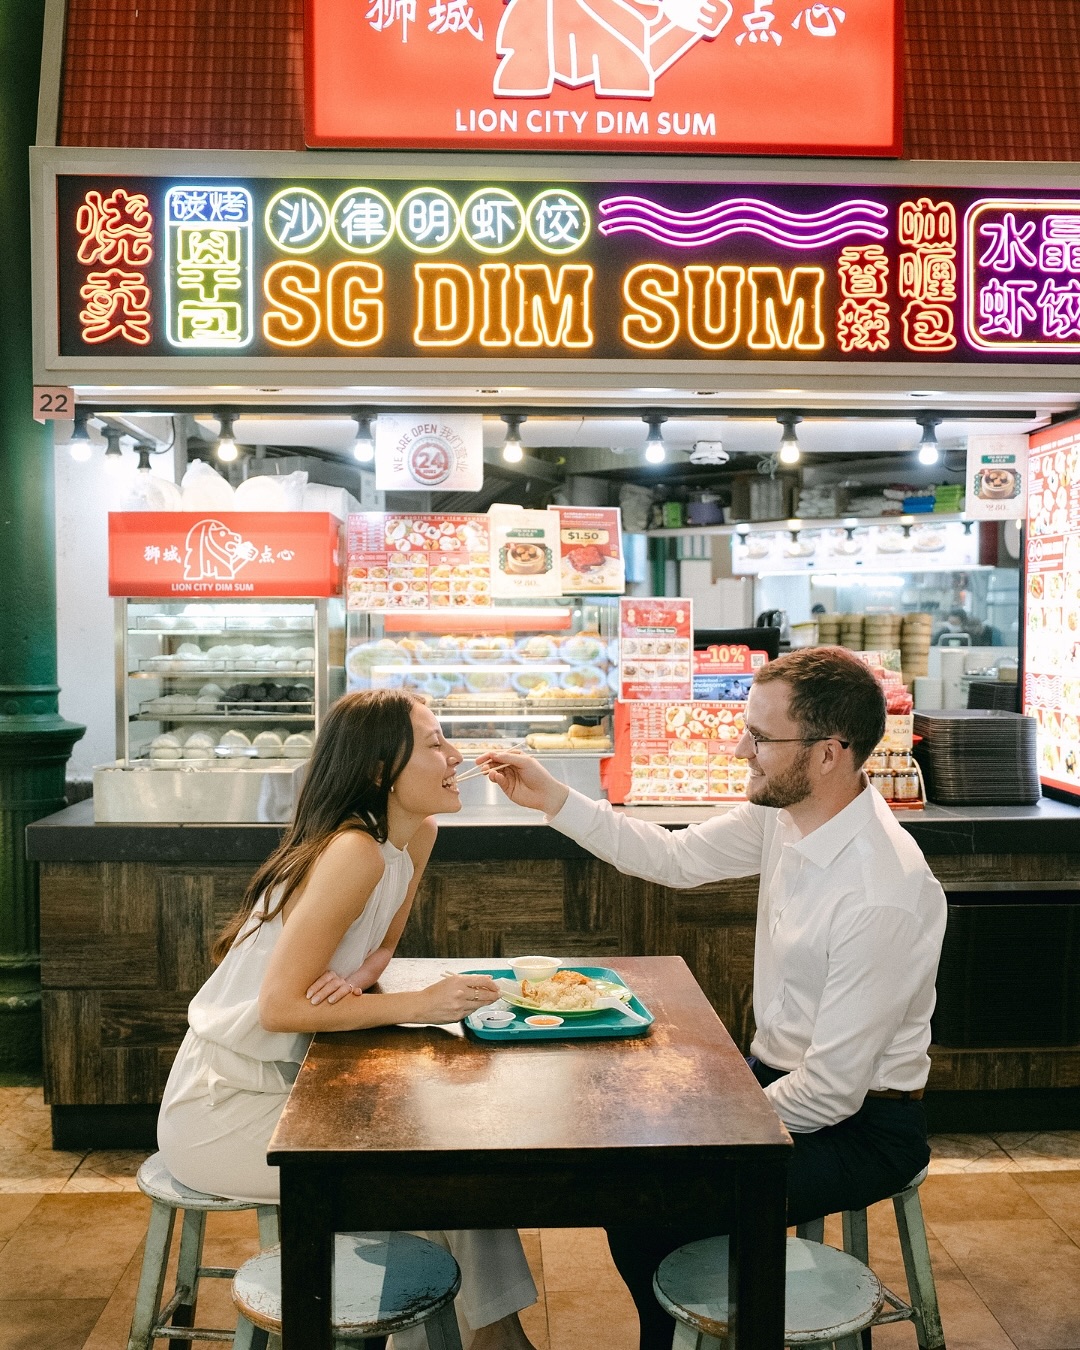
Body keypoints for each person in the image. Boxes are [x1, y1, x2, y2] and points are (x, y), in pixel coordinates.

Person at [479, 647, 947, 1350]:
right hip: (777, 1083)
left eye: (760, 737)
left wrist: (712, 1116)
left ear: (829, 753)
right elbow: (673, 858)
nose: (740, 750)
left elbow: (831, 1093)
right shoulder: (784, 817)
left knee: (657, 1198)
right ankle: (671, 1335)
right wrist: (553, 798)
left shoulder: (883, 889)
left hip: (863, 1129)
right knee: (630, 1164)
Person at [158, 690, 538, 1350]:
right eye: (435, 743)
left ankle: (493, 1337)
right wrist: (419, 1005)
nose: (454, 756)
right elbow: (279, 1008)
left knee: (450, 1147)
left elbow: (379, 949)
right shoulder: (353, 850)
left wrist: (354, 981)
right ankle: (489, 1339)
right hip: (227, 1104)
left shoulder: (416, 834)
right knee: (421, 1169)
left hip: (288, 1084)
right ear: (377, 770)